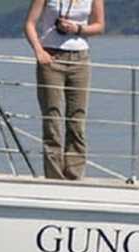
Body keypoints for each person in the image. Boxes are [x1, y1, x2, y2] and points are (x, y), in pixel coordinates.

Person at [24, 0, 106, 180]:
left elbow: (99, 26)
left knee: (77, 118)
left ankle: (75, 174)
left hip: (80, 59)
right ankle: (54, 176)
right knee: (52, 118)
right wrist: (38, 51)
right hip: (51, 58)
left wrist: (78, 29)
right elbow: (29, 23)